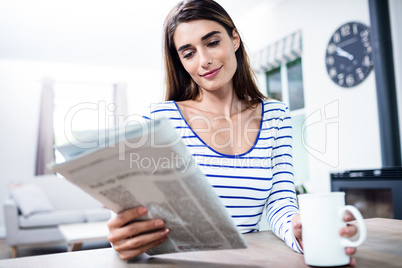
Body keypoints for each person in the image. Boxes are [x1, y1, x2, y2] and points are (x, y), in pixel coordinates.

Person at [107, 0, 359, 264]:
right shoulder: (160, 118)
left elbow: (280, 201)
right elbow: (137, 205)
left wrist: (299, 229)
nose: (204, 61)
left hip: (246, 261)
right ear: (181, 62)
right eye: (189, 53)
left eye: (212, 42)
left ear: (234, 39)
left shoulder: (276, 115)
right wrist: (123, 232)